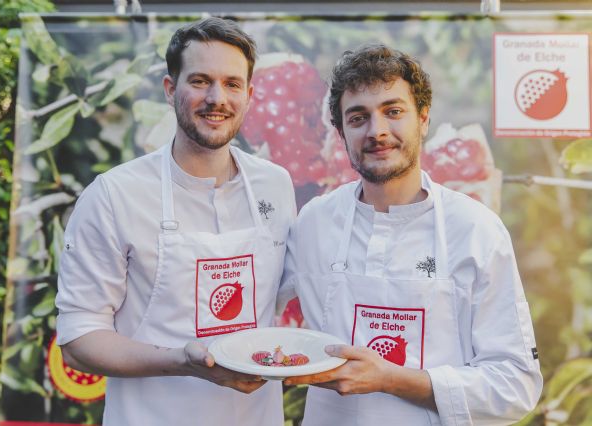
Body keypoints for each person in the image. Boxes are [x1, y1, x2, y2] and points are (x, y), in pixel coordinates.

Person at [279, 44, 542, 425]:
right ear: (341, 132)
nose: (378, 131)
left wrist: (392, 379)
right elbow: (257, 312)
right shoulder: (314, 222)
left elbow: (514, 385)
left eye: (393, 111)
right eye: (358, 118)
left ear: (423, 119)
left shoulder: (476, 229)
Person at [55, 17, 295, 426]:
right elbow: (78, 340)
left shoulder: (275, 184)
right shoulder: (115, 194)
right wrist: (184, 362)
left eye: (232, 84)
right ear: (170, 90)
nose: (217, 98)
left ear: (250, 95)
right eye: (200, 81)